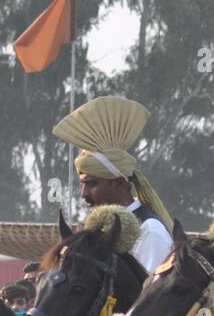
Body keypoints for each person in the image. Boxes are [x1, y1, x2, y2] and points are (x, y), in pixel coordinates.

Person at [52, 96, 175, 273]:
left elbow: (143, 295)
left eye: (91, 184)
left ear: (118, 184)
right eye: (82, 185)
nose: (83, 194)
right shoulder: (100, 231)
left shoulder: (149, 230)